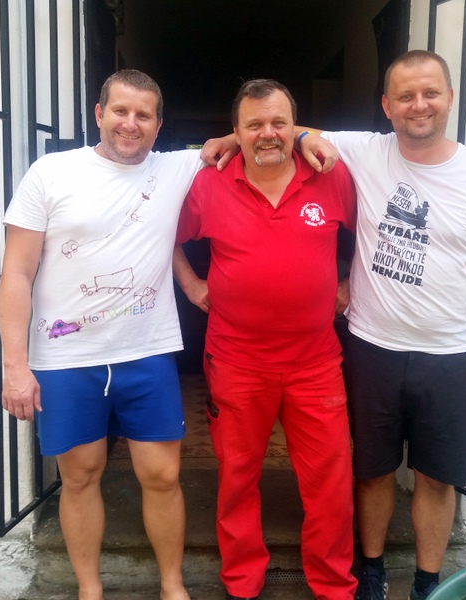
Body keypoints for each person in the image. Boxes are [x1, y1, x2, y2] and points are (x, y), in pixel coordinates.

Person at [289, 50, 466, 600]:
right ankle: (372, 570)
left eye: (430, 93)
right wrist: (267, 138)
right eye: (405, 96)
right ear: (386, 105)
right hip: (371, 347)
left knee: (437, 477)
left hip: (450, 355)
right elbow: (287, 127)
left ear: (450, 98)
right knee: (372, 470)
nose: (419, 105)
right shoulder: (365, 151)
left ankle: (427, 583)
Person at [0, 69, 206, 600]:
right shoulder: (51, 173)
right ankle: (90, 591)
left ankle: (173, 587)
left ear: (158, 125)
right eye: (120, 111)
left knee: (162, 476)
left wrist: (306, 137)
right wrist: (15, 367)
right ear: (99, 113)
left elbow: (251, 133)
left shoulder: (175, 168)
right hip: (66, 358)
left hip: (147, 353)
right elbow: (16, 273)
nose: (130, 123)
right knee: (80, 476)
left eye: (143, 115)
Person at [173, 79, 358, 600]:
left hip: (315, 363)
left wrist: (351, 284)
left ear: (295, 127)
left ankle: (334, 586)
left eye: (280, 123)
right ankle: (242, 582)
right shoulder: (209, 183)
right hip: (236, 361)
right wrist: (191, 285)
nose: (268, 134)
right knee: (237, 478)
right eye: (254, 125)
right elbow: (161, 235)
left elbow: (372, 233)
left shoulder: (331, 175)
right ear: (236, 132)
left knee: (330, 482)